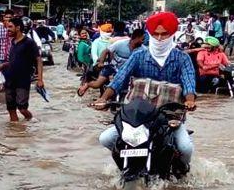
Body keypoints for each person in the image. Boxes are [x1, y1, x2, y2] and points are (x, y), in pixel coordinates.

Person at [93, 11, 196, 166]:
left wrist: (189, 100)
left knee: (185, 147)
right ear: (150, 34)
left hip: (169, 116)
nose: (160, 38)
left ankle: (183, 170)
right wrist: (103, 98)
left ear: (172, 34)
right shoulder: (139, 55)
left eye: (164, 34)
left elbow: (189, 82)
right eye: (155, 34)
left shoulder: (182, 58)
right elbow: (120, 78)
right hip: (137, 117)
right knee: (106, 138)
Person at [0, 16, 43, 122]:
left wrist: (40, 79)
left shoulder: (29, 42)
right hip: (10, 80)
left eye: (10, 27)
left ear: (18, 28)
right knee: (11, 109)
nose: (7, 29)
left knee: (22, 108)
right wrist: (4, 65)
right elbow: (14, 61)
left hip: (23, 81)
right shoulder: (13, 42)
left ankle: (32, 120)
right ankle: (16, 133)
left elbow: (39, 60)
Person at [78, 29, 145, 97]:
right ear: (136, 38)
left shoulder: (143, 49)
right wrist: (101, 62)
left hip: (128, 71)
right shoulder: (121, 44)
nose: (143, 41)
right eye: (142, 39)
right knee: (97, 84)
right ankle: (88, 85)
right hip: (113, 67)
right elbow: (105, 51)